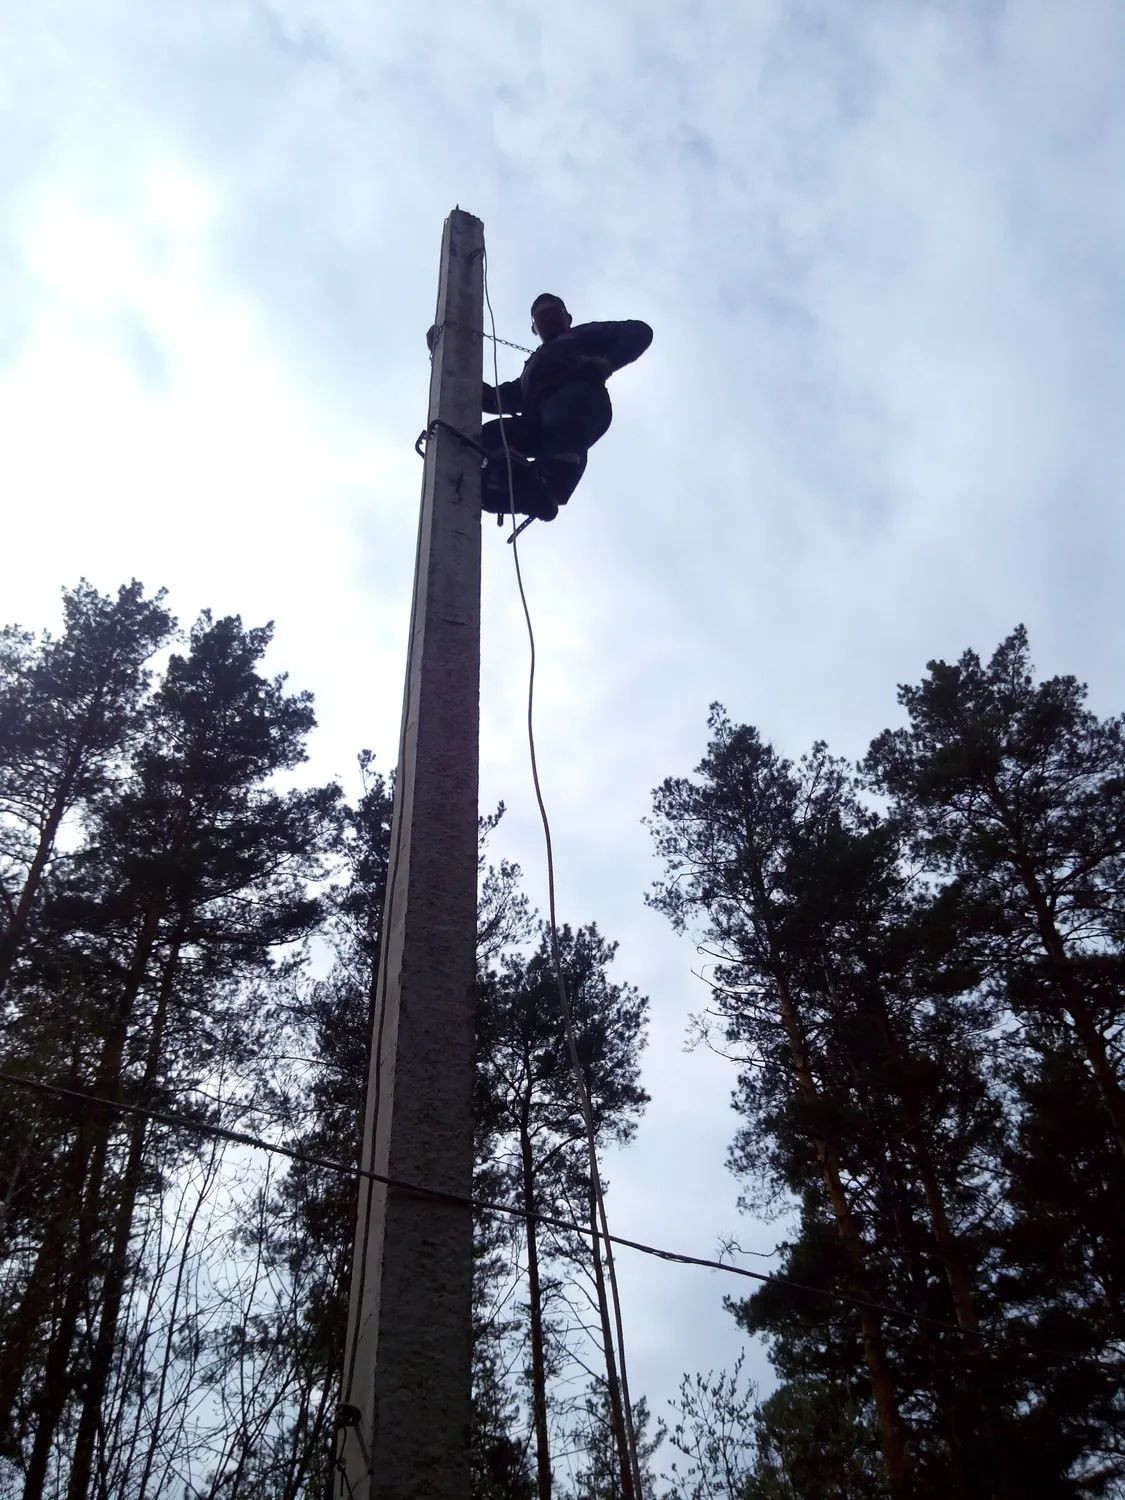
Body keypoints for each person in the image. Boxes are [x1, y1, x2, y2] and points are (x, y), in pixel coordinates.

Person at [430, 295, 652, 522]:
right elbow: (497, 398)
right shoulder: (532, 371)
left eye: (554, 315)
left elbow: (639, 332)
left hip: (579, 402)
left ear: (568, 318)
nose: (549, 321)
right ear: (534, 329)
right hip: (539, 422)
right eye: (542, 318)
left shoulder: (584, 335)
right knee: (493, 434)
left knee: (565, 419)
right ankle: (499, 483)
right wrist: (446, 355)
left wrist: (607, 363)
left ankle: (552, 479)